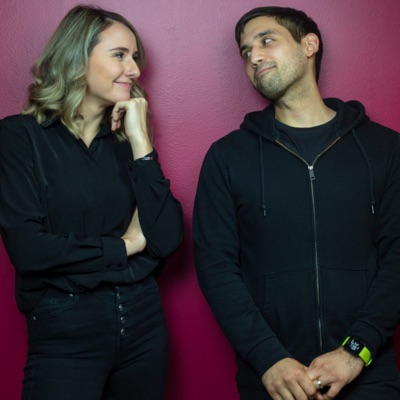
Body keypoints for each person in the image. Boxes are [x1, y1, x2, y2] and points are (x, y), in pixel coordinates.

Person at [193, 6, 400, 400]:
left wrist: (355, 352)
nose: (254, 57)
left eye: (266, 41)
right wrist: (268, 358)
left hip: (368, 376)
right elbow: (216, 267)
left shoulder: (384, 149)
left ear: (309, 45)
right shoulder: (227, 157)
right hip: (272, 380)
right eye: (245, 51)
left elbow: (397, 259)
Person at [0, 5, 183, 400]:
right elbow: (29, 250)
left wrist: (141, 143)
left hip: (144, 325)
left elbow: (167, 238)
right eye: (120, 55)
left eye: (135, 57)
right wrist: (126, 245)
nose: (134, 70)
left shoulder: (126, 144)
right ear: (77, 58)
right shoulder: (19, 138)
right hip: (65, 330)